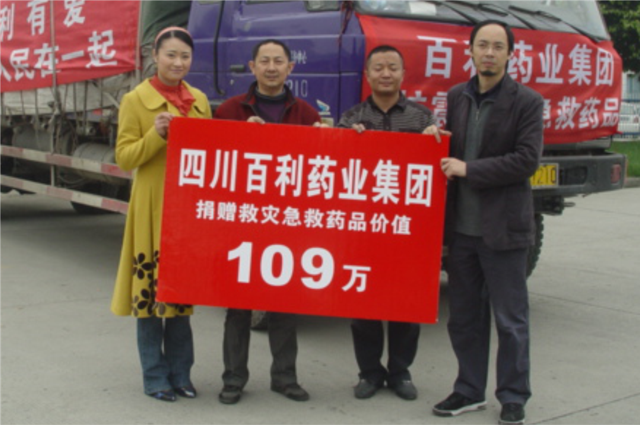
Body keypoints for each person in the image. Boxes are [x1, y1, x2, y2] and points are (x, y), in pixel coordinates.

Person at [428, 20, 543, 425]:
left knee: (510, 320)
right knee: (464, 319)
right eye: (482, 45)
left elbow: (526, 160)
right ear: (471, 51)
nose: (489, 53)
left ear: (510, 53)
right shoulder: (457, 95)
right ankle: (468, 389)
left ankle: (513, 395)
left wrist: (469, 169)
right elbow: (454, 148)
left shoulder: (527, 101)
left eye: (497, 46)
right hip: (462, 232)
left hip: (504, 230)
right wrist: (436, 138)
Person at [213, 39, 325, 405]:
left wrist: (327, 139)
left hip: (287, 223)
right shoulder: (230, 110)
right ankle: (233, 379)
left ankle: (285, 377)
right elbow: (213, 158)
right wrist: (240, 135)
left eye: (279, 61)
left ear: (290, 68)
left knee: (285, 303)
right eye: (265, 61)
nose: (272, 67)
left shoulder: (306, 113)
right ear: (252, 67)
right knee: (238, 306)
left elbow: (322, 165)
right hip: (243, 222)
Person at [111, 27, 212, 402]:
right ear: (155, 56)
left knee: (180, 302)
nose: (178, 62)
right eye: (171, 55)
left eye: (185, 56)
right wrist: (155, 135)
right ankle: (155, 377)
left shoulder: (199, 100)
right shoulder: (136, 100)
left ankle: (182, 374)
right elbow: (125, 158)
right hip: (151, 209)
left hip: (186, 212)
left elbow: (212, 152)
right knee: (149, 300)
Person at [337, 45, 439, 401]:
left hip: (407, 231)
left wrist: (434, 141)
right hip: (363, 230)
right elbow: (334, 167)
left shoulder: (421, 118)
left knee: (405, 303)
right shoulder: (352, 117)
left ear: (402, 74)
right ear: (367, 75)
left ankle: (400, 372)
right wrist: (346, 141)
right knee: (363, 304)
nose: (385, 73)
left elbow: (435, 168)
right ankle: (368, 372)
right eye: (378, 67)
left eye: (392, 67)